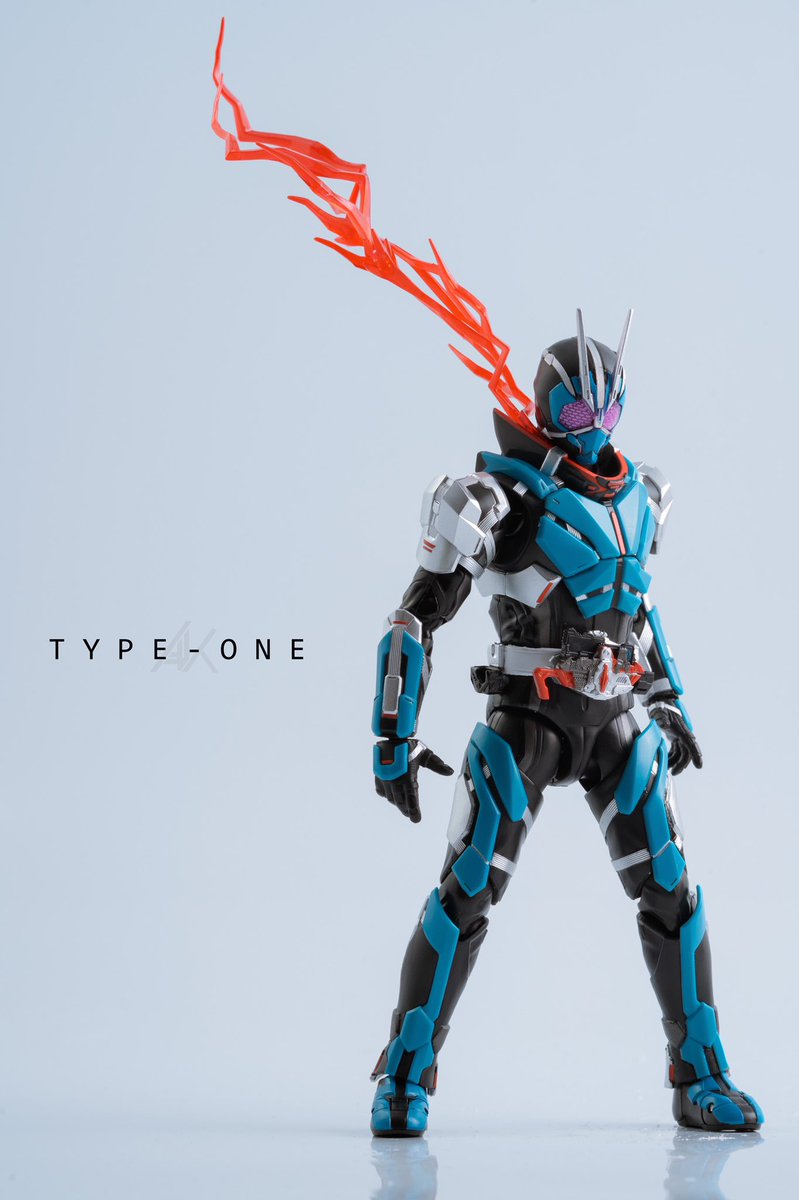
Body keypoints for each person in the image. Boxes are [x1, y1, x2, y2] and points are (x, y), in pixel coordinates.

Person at [370, 311, 763, 1137]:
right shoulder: (496, 499)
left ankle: (700, 1075)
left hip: (617, 719)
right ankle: (405, 1074)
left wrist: (668, 700)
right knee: (467, 890)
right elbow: (414, 616)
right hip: (529, 719)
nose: (594, 425)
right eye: (578, 410)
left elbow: (636, 610)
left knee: (671, 890)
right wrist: (391, 735)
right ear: (546, 407)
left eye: (608, 409)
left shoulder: (641, 495)